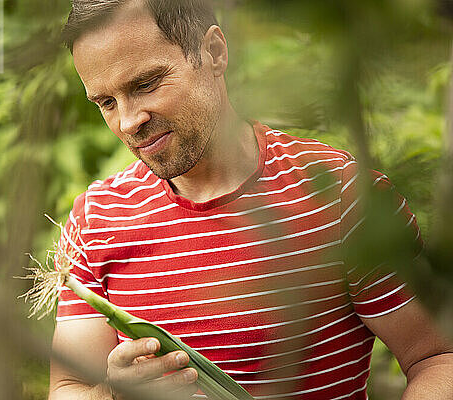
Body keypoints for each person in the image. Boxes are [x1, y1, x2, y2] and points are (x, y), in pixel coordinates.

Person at [48, 0, 453, 399]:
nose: (128, 120)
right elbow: (68, 390)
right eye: (106, 102)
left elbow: (438, 359)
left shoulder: (340, 196)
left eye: (146, 83)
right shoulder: (96, 220)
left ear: (214, 53)